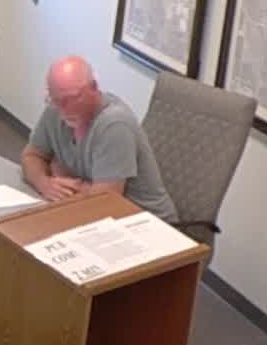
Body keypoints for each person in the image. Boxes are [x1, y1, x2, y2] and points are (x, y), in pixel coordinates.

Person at [21, 56, 177, 222]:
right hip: (98, 213)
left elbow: (103, 203)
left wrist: (59, 173)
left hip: (146, 222)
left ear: (94, 87)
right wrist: (45, 183)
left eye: (72, 99)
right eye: (55, 100)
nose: (64, 110)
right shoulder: (55, 108)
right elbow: (31, 156)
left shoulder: (114, 124)